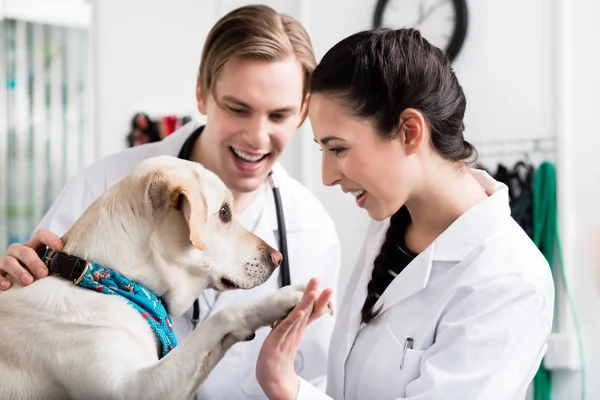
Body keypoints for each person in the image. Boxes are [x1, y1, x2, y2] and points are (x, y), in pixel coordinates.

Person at [0, 5, 341, 399]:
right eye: (238, 108)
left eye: (279, 115)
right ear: (202, 93)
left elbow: (311, 385)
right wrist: (14, 279)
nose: (257, 137)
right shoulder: (102, 186)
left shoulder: (313, 230)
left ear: (303, 112)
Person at [255, 28, 555, 400]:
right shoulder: (386, 226)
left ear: (410, 132)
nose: (327, 176)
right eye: (322, 150)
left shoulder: (510, 280)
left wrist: (292, 393)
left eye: (338, 149)